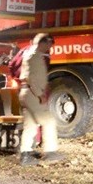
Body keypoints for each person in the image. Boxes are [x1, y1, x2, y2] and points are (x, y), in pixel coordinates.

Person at [18, 33, 62, 166]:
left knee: (30, 124)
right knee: (49, 121)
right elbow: (31, 78)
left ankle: (25, 154)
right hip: (33, 94)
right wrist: (40, 95)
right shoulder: (35, 57)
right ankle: (50, 152)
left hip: (27, 92)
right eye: (49, 44)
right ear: (43, 43)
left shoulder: (30, 55)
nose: (50, 47)